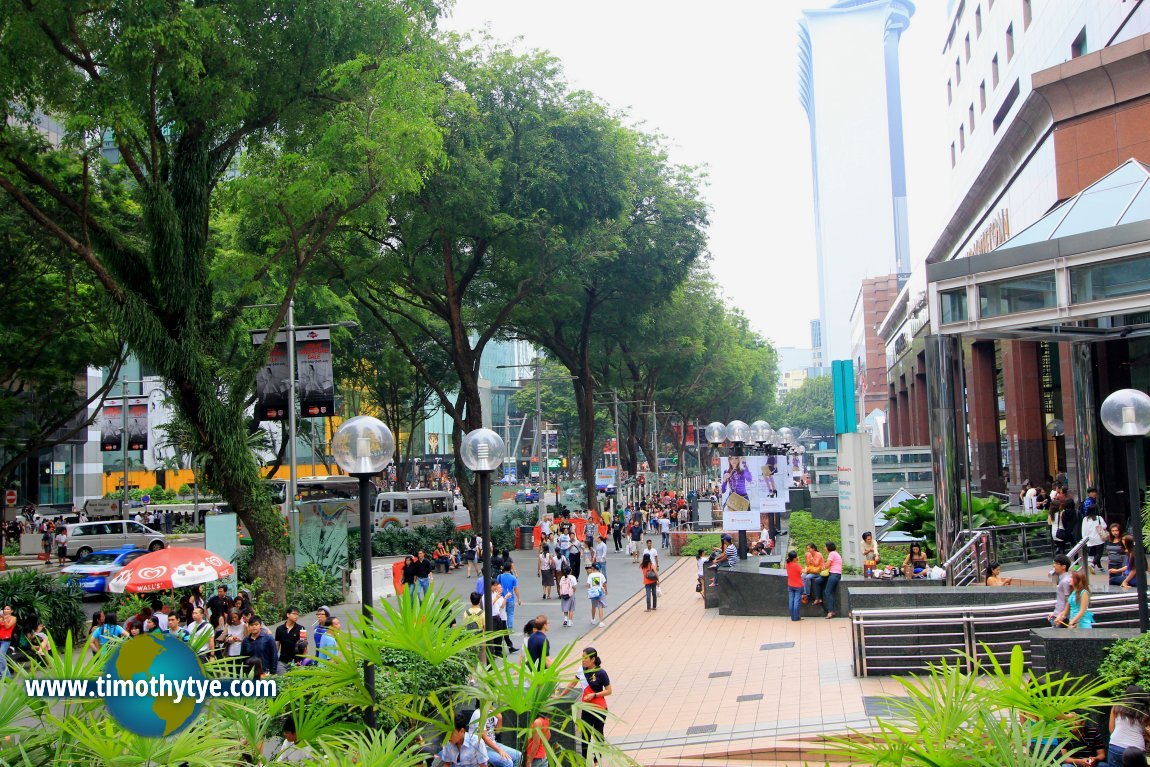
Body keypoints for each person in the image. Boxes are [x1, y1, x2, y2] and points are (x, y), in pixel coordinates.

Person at [559, 647, 611, 762]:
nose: (583, 660)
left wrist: (594, 695)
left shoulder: (601, 673)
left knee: (598, 734)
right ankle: (583, 761)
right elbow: (572, 685)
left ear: (593, 659)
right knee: (585, 735)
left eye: (585, 658)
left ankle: (597, 760)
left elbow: (609, 691)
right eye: (582, 657)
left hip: (599, 709)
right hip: (586, 708)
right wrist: (560, 696)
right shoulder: (581, 670)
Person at [1109, 685, 1149, 766]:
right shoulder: (1146, 711)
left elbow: (1111, 729)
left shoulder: (1117, 707)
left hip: (1116, 745)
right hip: (1136, 750)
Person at [275, 607, 304, 672]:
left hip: (296, 663)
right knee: (282, 680)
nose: (296, 616)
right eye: (294, 614)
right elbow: (277, 646)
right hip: (282, 662)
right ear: (288, 615)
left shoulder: (301, 628)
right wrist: (274, 659)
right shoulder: (279, 629)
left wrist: (303, 660)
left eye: (297, 614)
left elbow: (304, 646)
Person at [497, 562, 521, 637]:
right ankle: (510, 628)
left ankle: (502, 628)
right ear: (510, 569)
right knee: (510, 614)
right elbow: (516, 589)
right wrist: (519, 598)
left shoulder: (499, 576)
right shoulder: (513, 578)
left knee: (501, 613)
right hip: (510, 598)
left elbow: (497, 587)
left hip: (501, 598)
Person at [1050, 554, 1073, 627]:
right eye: (1054, 563)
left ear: (1064, 566)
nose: (1054, 566)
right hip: (1059, 614)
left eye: (1057, 564)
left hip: (1062, 617)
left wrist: (1062, 615)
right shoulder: (1063, 579)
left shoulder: (1065, 581)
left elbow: (1068, 600)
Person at [821, 541, 843, 619]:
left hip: (834, 574)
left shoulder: (832, 554)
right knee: (830, 591)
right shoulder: (836, 553)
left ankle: (830, 612)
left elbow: (827, 565)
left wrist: (821, 568)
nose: (824, 548)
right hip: (837, 574)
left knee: (827, 591)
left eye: (825, 546)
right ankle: (831, 610)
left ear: (828, 547)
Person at [785, 550, 803, 621]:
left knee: (791, 601)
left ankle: (792, 617)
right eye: (796, 557)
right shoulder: (797, 565)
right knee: (796, 602)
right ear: (794, 558)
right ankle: (796, 617)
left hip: (790, 585)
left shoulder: (787, 564)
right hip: (798, 586)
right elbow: (803, 571)